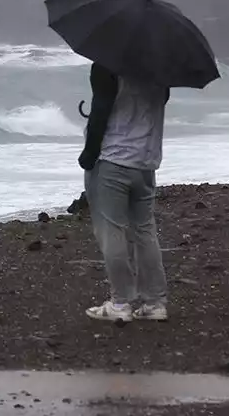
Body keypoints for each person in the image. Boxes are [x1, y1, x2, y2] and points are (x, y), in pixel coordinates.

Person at [79, 61, 171, 322]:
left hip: (113, 160)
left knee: (112, 230)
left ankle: (120, 304)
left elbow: (100, 111)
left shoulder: (106, 66)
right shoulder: (160, 70)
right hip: (146, 161)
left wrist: (89, 154)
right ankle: (155, 304)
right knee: (144, 229)